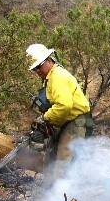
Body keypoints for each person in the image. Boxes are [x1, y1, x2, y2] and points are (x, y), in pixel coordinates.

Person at [26, 43, 94, 177]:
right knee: (56, 160)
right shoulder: (50, 77)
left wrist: (45, 118)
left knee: (64, 164)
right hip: (69, 122)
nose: (37, 71)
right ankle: (58, 191)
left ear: (49, 60)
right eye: (34, 69)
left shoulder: (57, 76)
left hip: (76, 122)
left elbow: (64, 105)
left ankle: (63, 195)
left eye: (39, 66)